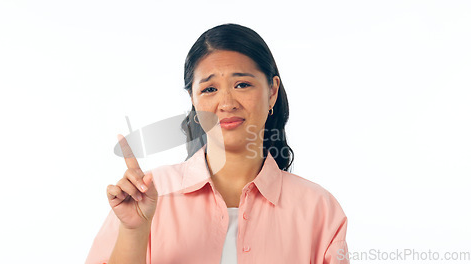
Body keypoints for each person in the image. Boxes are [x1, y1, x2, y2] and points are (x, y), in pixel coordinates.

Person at [85, 23, 350, 264]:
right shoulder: (149, 194)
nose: (226, 103)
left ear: (272, 92)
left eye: (242, 84)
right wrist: (134, 232)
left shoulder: (319, 209)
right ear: (193, 101)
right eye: (209, 89)